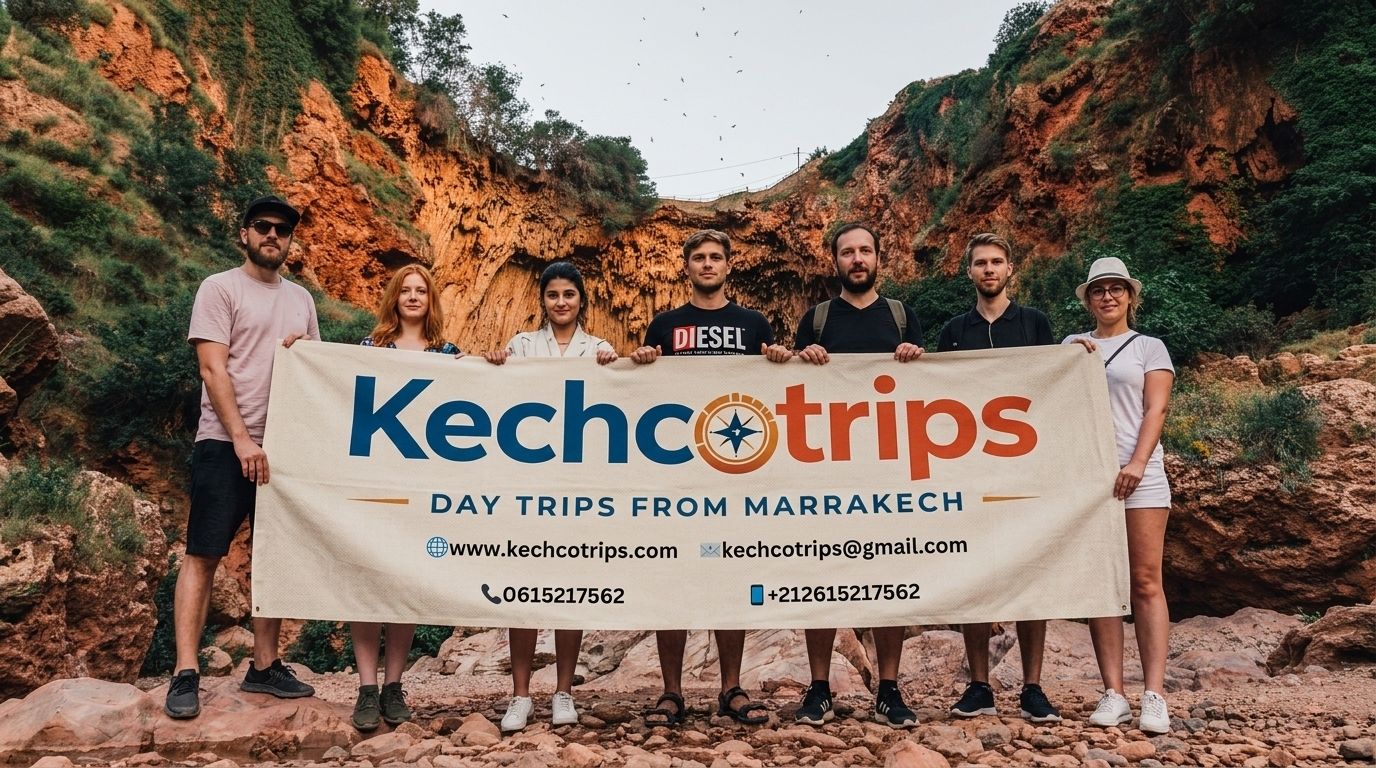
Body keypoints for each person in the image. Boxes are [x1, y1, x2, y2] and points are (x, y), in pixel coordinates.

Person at [165, 195, 319, 719]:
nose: (273, 235)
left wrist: (302, 350)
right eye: (263, 226)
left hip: (283, 449)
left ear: (290, 241)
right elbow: (213, 369)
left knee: (272, 558)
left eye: (282, 230)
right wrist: (242, 439)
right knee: (203, 553)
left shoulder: (302, 299)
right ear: (245, 234)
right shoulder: (220, 288)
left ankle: (264, 666)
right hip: (223, 443)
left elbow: (315, 371)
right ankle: (186, 671)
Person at [630, 229, 792, 727]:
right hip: (676, 472)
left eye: (715, 257)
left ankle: (731, 688)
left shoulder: (753, 323)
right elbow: (643, 396)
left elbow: (774, 393)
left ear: (728, 265)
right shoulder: (664, 326)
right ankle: (671, 692)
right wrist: (642, 361)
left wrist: (779, 361)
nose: (707, 264)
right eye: (698, 257)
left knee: (731, 576)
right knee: (672, 576)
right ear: (686, 266)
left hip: (734, 471)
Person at [792, 222, 923, 729]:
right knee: (821, 574)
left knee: (890, 574)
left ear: (878, 258)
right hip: (826, 465)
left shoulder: (902, 316)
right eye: (848, 252)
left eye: (865, 250)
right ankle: (819, 687)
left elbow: (929, 388)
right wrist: (803, 357)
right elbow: (791, 386)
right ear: (836, 261)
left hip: (889, 465)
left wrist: (915, 357)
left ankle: (889, 688)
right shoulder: (817, 319)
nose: (857, 259)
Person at [936, 233, 1063, 723]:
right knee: (975, 577)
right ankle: (979, 686)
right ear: (968, 271)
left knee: (1032, 577)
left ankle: (1033, 687)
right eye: (980, 263)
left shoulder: (1035, 323)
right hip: (969, 472)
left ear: (1011, 268)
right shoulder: (953, 331)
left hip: (1025, 472)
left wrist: (1082, 354)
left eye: (996, 262)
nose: (988, 270)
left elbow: (1056, 384)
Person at [486, 261, 616, 732]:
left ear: (582, 300)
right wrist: (493, 365)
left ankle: (564, 692)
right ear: (542, 300)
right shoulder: (521, 345)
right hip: (529, 482)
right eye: (553, 294)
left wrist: (616, 368)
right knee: (522, 587)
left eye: (569, 294)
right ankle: (520, 694)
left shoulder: (599, 349)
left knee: (570, 586)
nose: (561, 302)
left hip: (577, 485)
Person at [1061, 256, 1175, 735]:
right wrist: (1070, 359)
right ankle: (1113, 692)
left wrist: (1136, 464)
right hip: (1089, 479)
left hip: (1140, 475)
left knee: (1145, 581)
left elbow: (1156, 408)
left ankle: (1155, 694)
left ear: (1130, 296)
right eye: (1098, 289)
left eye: (1116, 288)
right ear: (1088, 299)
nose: (1107, 296)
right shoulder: (1071, 345)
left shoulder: (1150, 347)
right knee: (1102, 584)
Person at [350, 263, 459, 732]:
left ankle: (393, 685)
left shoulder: (448, 354)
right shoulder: (369, 349)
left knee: (403, 585)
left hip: (422, 483)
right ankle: (365, 687)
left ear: (430, 300)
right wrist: (299, 353)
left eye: (421, 291)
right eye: (405, 290)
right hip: (376, 481)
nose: (413, 297)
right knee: (366, 583)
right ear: (394, 298)